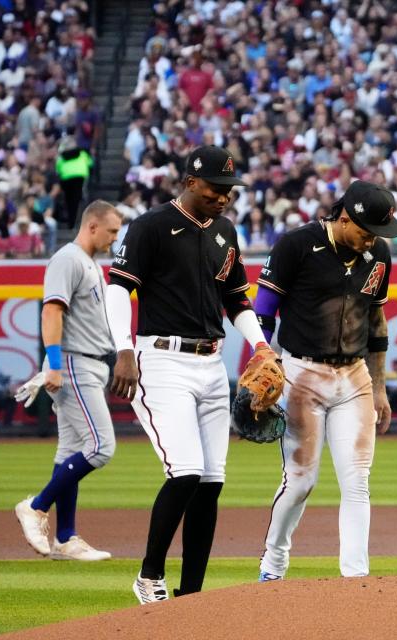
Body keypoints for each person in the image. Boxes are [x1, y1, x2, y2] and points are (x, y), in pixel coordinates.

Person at [106, 146, 274, 603]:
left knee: (211, 482)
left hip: (211, 363)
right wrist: (123, 349)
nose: (224, 198)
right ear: (190, 181)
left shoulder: (225, 231)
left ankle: (193, 595)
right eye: (217, 189)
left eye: (230, 191)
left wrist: (261, 346)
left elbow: (237, 301)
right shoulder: (151, 226)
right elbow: (119, 287)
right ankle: (149, 576)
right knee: (185, 471)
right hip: (161, 360)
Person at [254, 180, 397, 580]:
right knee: (300, 482)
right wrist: (261, 359)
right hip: (302, 375)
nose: (373, 241)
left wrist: (380, 385)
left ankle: (355, 576)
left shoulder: (378, 254)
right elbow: (264, 311)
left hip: (355, 378)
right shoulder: (296, 245)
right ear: (345, 218)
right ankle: (274, 561)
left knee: (357, 482)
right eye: (367, 232)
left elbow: (376, 321)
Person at [13, 201, 122, 561]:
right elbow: (51, 309)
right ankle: (36, 506)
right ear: (92, 226)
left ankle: (66, 537)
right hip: (74, 363)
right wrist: (56, 364)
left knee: (69, 450)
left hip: (89, 363)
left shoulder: (90, 263)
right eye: (111, 231)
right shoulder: (68, 258)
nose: (114, 238)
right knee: (101, 447)